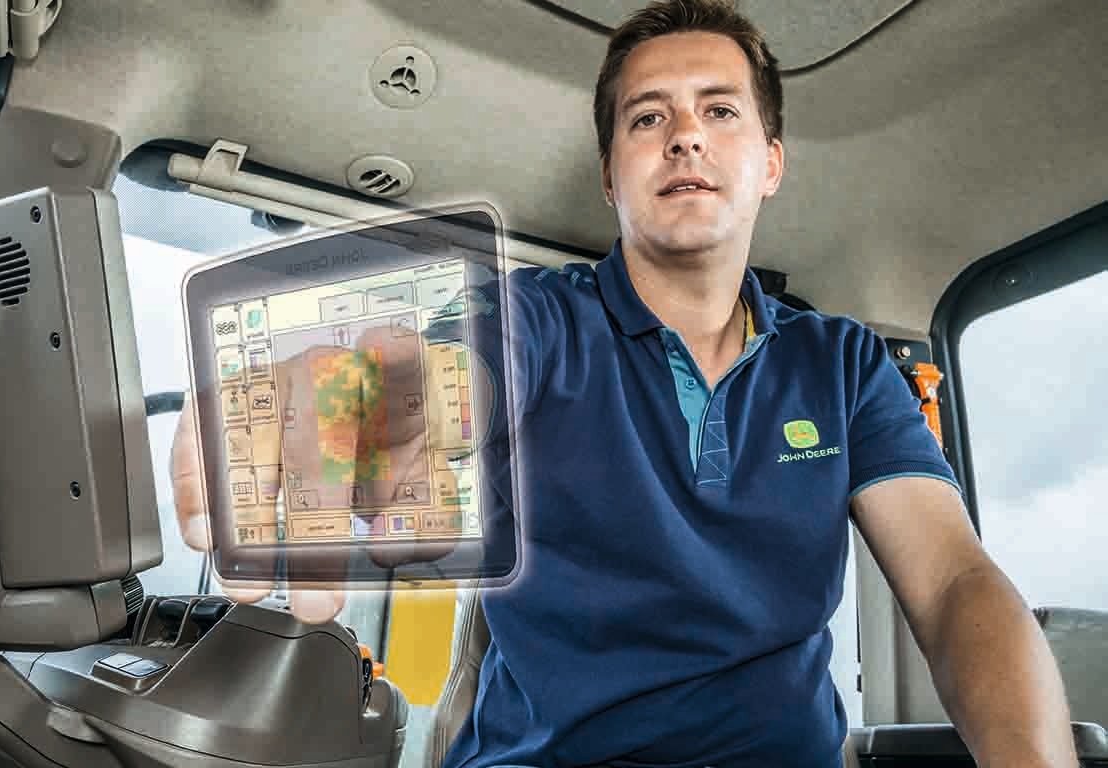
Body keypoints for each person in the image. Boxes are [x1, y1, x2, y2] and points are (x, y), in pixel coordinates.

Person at [170, 0, 1079, 765]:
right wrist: (342, 397)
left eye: (719, 111)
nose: (684, 133)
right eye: (647, 117)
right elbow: (445, 365)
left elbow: (956, 582)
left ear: (770, 162)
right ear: (612, 174)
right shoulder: (541, 318)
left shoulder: (841, 365)